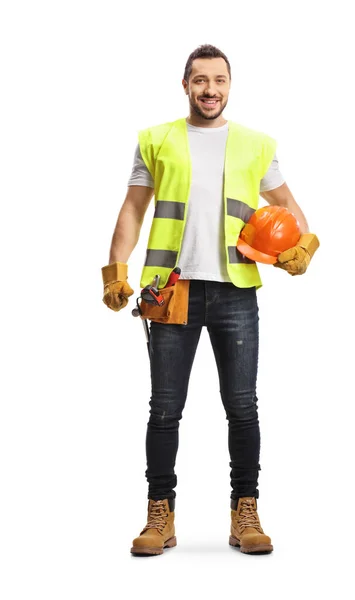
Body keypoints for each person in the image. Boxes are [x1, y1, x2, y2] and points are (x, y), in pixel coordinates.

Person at [101, 44, 319, 556]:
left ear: (229, 85)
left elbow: (287, 207)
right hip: (169, 292)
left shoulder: (254, 145)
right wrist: (115, 271)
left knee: (243, 407)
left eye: (219, 80)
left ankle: (246, 512)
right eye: (200, 80)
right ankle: (160, 515)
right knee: (164, 409)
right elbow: (133, 209)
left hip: (235, 292)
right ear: (185, 86)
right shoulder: (156, 140)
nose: (210, 90)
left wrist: (304, 245)